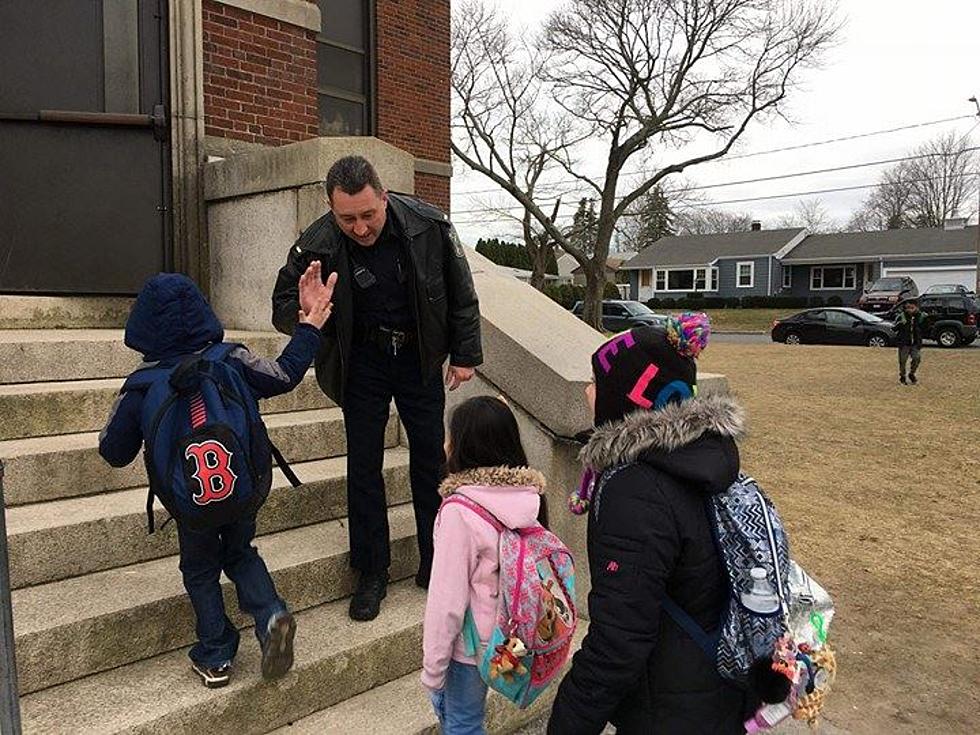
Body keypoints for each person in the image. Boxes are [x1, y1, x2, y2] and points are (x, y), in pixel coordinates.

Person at [99, 267, 336, 688]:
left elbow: (113, 452)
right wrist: (309, 327)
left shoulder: (140, 386)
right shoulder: (231, 359)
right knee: (241, 552)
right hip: (242, 486)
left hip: (191, 503)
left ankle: (215, 655)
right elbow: (284, 375)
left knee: (200, 569)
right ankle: (271, 616)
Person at [272, 155, 483, 622]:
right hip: (359, 361)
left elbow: (460, 290)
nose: (361, 227)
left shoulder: (428, 225)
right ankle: (371, 571)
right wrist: (306, 314)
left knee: (430, 459)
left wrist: (465, 353)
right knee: (363, 465)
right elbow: (281, 305)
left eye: (369, 214)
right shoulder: (316, 243)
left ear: (384, 197)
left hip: (418, 356)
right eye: (348, 218)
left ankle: (436, 560)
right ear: (331, 209)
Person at [548, 315, 758, 734]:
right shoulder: (700, 457)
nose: (589, 390)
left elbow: (620, 640)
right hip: (712, 689)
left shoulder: (636, 491)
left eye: (595, 380)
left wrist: (567, 723)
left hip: (667, 706)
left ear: (628, 396)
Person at [422, 396, 548, 735]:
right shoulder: (529, 497)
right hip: (510, 639)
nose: (445, 443)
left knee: (462, 724)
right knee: (469, 720)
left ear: (463, 445)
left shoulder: (459, 511)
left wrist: (432, 671)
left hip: (471, 646)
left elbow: (446, 601)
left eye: (451, 435)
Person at [894, 299, 926, 385]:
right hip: (904, 343)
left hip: (915, 343)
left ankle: (912, 374)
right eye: (907, 307)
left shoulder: (921, 316)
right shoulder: (901, 316)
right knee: (902, 361)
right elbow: (894, 328)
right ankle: (902, 376)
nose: (909, 310)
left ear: (916, 307)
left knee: (917, 358)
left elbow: (925, 327)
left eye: (912, 308)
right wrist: (900, 324)